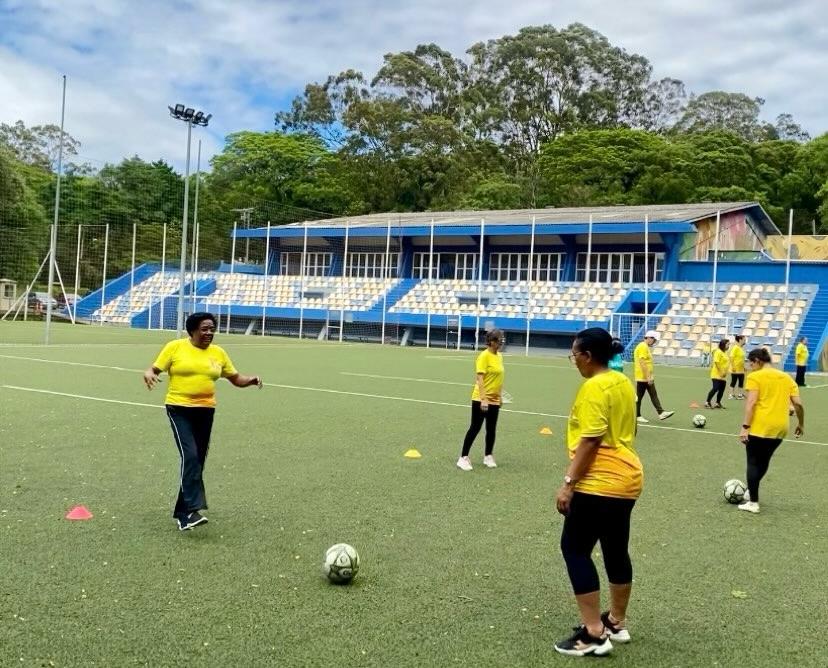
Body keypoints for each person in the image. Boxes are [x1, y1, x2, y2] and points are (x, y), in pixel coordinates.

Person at [553, 328, 640, 657]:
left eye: (574, 354)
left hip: (599, 480)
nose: (573, 361)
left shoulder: (593, 387)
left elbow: (590, 440)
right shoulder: (621, 381)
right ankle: (616, 622)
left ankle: (593, 634)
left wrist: (568, 483)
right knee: (615, 550)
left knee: (574, 549)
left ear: (587, 356)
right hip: (626, 477)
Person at [143, 312, 262, 530]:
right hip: (179, 409)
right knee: (190, 456)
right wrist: (149, 373)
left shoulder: (219, 353)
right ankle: (192, 509)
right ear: (193, 330)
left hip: (205, 411)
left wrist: (251, 380)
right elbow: (153, 368)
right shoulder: (175, 347)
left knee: (197, 461)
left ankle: (183, 514)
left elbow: (235, 378)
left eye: (211, 329)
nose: (209, 333)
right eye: (204, 329)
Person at [737, 347, 804, 513]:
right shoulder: (786, 378)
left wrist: (745, 427)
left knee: (752, 461)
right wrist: (801, 424)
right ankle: (750, 493)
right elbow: (798, 404)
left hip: (760, 426)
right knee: (764, 461)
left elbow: (751, 403)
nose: (750, 368)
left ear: (757, 361)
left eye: (751, 364)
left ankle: (753, 503)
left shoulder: (755, 377)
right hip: (781, 427)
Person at [456, 328, 504, 471]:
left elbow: (499, 378)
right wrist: (483, 399)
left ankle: (488, 456)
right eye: (498, 340)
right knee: (475, 427)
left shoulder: (499, 356)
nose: (500, 343)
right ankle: (463, 457)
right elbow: (480, 379)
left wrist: (499, 396)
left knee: (491, 429)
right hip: (481, 398)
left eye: (502, 340)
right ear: (491, 341)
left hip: (494, 399)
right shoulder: (484, 356)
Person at [632, 330, 674, 424]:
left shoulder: (644, 346)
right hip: (643, 377)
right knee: (647, 395)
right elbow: (642, 362)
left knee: (646, 395)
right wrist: (648, 377)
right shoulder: (643, 346)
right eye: (654, 340)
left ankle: (659, 412)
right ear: (650, 338)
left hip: (644, 376)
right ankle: (641, 414)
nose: (654, 342)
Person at [705, 338, 730, 409]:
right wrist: (721, 371)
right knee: (715, 388)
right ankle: (707, 402)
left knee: (721, 389)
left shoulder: (724, 353)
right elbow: (716, 362)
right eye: (728, 344)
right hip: (716, 374)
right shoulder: (718, 352)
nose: (728, 346)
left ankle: (717, 403)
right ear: (723, 344)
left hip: (723, 375)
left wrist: (725, 372)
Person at [728, 335, 747, 399]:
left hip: (741, 369)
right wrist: (733, 366)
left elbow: (741, 359)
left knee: (741, 381)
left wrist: (744, 366)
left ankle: (740, 395)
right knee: (734, 381)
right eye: (744, 339)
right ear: (740, 340)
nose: (745, 341)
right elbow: (731, 357)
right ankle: (731, 395)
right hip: (735, 369)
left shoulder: (740, 348)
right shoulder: (735, 347)